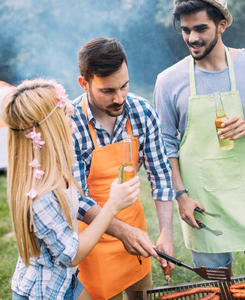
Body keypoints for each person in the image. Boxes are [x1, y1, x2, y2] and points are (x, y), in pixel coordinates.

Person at [153, 0, 245, 275]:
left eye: (201, 29)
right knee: (215, 285)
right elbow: (165, 147)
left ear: (222, 25)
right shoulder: (168, 80)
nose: (192, 38)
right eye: (185, 30)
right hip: (202, 201)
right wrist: (181, 197)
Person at [2, 78, 141, 299]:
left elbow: (77, 201)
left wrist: (125, 231)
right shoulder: (39, 195)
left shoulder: (59, 163)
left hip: (67, 280)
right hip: (45, 292)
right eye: (65, 114)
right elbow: (73, 255)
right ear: (50, 126)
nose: (73, 116)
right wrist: (112, 206)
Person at [71, 38, 175, 300]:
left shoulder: (141, 112)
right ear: (84, 84)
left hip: (135, 228)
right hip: (90, 239)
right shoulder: (69, 124)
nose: (120, 98)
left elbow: (161, 176)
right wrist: (123, 232)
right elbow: (78, 200)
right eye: (108, 91)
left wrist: (166, 233)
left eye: (124, 86)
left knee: (141, 294)